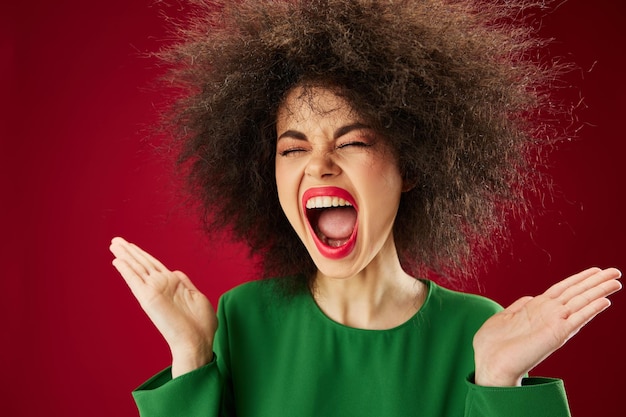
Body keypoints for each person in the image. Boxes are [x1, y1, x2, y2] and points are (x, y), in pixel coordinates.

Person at [109, 1, 621, 416]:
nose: (319, 165)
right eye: (293, 148)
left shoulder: (479, 331)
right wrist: (191, 357)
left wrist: (499, 380)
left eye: (352, 142)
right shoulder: (241, 319)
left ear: (413, 165)